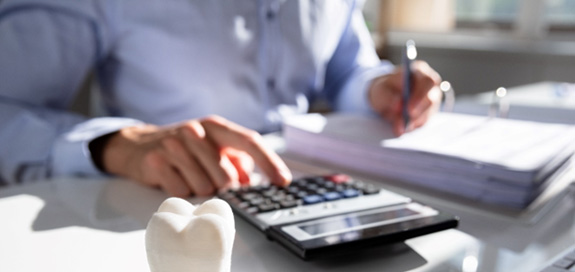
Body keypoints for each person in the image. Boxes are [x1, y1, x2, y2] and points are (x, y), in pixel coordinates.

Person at [0, 0, 442, 197]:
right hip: (160, 204)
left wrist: (376, 89)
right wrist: (116, 144)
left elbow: (345, 70)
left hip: (311, 191)